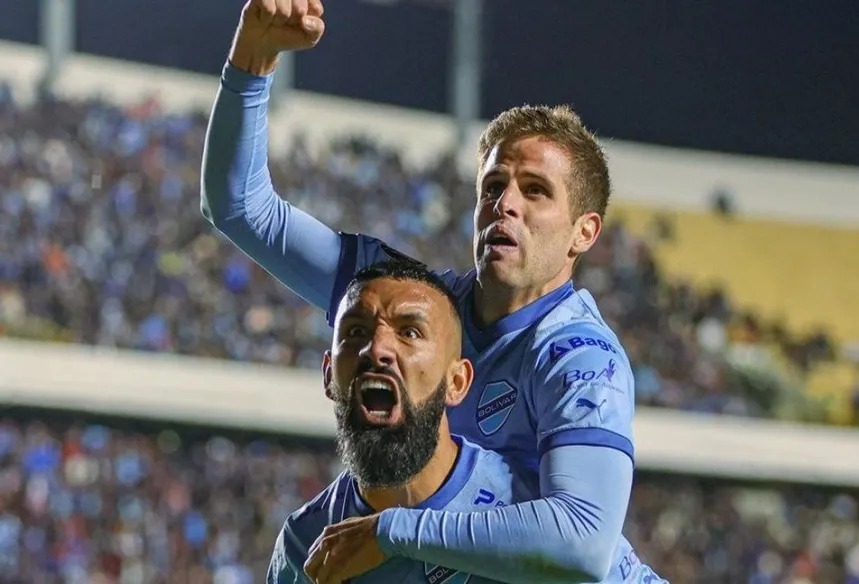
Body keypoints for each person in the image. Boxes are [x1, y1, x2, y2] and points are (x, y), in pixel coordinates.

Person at [202, 1, 655, 582]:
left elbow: (583, 545)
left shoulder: (578, 357)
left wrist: (394, 533)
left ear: (583, 233)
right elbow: (239, 209)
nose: (505, 205)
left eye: (535, 191)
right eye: (493, 186)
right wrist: (251, 59)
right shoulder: (410, 307)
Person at [268, 261, 664, 583]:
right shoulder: (304, 545)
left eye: (409, 332)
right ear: (328, 374)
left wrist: (393, 534)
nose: (378, 349)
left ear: (457, 382)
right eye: (356, 331)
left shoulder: (525, 518)